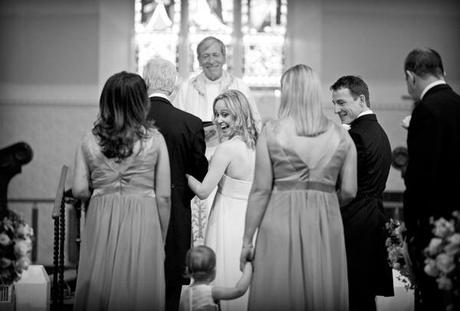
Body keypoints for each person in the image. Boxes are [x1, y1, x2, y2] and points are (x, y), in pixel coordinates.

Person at [240, 64, 357, 311]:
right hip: (326, 224)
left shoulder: (272, 131)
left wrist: (247, 239)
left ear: (288, 92)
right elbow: (349, 191)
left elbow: (260, 190)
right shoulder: (342, 135)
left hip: (279, 220)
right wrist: (324, 201)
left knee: (278, 292)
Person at [72, 71, 170, 311]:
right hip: (144, 218)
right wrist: (162, 237)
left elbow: (79, 189)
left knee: (99, 283)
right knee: (139, 287)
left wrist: (103, 188)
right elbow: (164, 196)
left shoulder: (89, 140)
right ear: (141, 102)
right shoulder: (155, 140)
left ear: (106, 101)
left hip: (101, 217)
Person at [143, 57, 209, 311]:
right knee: (172, 276)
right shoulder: (190, 123)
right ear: (173, 86)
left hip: (138, 204)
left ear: (146, 82)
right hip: (177, 207)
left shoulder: (133, 120)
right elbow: (198, 170)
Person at [186, 89, 258, 311]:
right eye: (217, 114)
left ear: (239, 113)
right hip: (251, 217)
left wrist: (185, 173)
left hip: (226, 217)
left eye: (225, 114)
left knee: (225, 270)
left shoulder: (226, 149)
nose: (219, 120)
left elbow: (203, 191)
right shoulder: (257, 145)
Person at [403, 48, 460, 311]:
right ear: (443, 72)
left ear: (411, 77)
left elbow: (419, 180)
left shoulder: (425, 111)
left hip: (435, 233)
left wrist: (412, 234)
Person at [330, 75, 394, 311]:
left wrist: (325, 208)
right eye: (334, 103)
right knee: (364, 297)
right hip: (373, 219)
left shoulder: (356, 135)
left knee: (353, 297)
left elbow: (346, 188)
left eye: (342, 102)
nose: (337, 109)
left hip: (354, 224)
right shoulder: (378, 131)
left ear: (361, 99)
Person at [174, 36, 261, 129]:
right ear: (199, 60)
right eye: (205, 56)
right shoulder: (187, 88)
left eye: (215, 55)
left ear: (224, 58)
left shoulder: (239, 86)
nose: (211, 61)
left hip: (232, 142)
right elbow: (176, 121)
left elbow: (254, 121)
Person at [179, 245, 253, 311]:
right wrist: (248, 265)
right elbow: (239, 291)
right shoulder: (210, 292)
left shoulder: (185, 293)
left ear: (188, 270)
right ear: (213, 271)